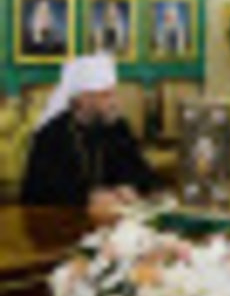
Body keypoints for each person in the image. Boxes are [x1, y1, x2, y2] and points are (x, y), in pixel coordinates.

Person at [21, 55, 157, 226]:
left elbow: (144, 173)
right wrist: (87, 198)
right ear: (82, 98)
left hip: (114, 223)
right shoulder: (51, 136)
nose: (114, 102)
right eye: (105, 95)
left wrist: (130, 187)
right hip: (65, 226)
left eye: (113, 93)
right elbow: (36, 195)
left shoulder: (117, 128)